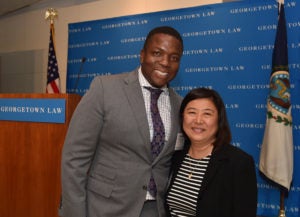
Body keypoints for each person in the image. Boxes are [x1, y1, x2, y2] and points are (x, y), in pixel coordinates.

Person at [60, 26, 184, 217]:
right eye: (157, 53)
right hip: (105, 208)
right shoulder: (105, 89)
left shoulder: (180, 105)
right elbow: (74, 159)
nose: (165, 62)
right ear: (142, 55)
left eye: (174, 57)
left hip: (156, 210)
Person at [166, 87, 257, 217]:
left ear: (219, 119)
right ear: (182, 117)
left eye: (207, 114)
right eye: (192, 112)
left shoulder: (238, 163)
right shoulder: (176, 155)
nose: (198, 120)